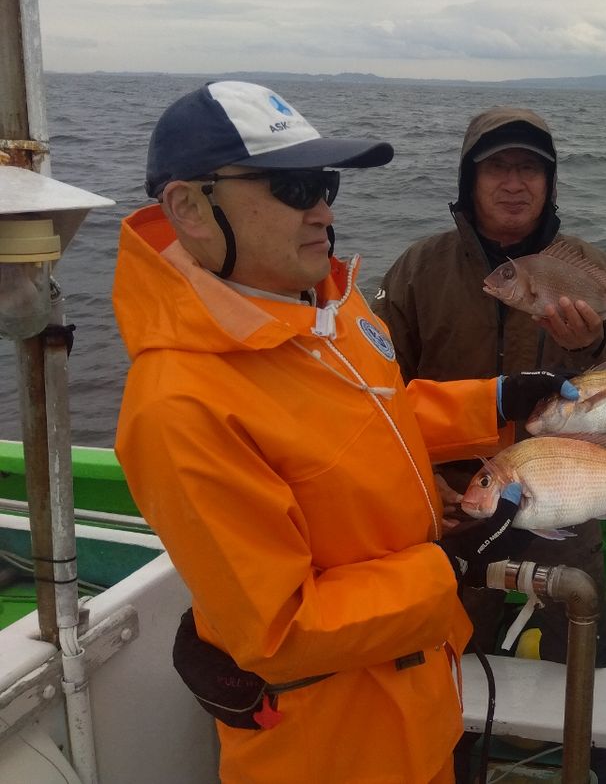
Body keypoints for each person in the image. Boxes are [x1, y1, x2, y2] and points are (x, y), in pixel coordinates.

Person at [113, 81, 572, 784]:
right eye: (295, 186)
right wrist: (445, 567)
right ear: (190, 208)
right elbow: (281, 629)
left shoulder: (323, 305)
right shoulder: (181, 405)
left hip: (420, 701)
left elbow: (371, 416)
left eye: (326, 182)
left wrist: (498, 399)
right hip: (333, 742)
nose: (323, 208)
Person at [372, 106, 606, 780]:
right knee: (447, 670)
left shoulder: (585, 264)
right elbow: (375, 387)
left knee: (587, 659)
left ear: (550, 182)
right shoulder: (418, 268)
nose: (514, 182)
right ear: (469, 180)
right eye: (497, 167)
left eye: (530, 168)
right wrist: (417, 484)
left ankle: (596, 767)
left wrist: (596, 344)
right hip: (454, 505)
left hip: (566, 494)